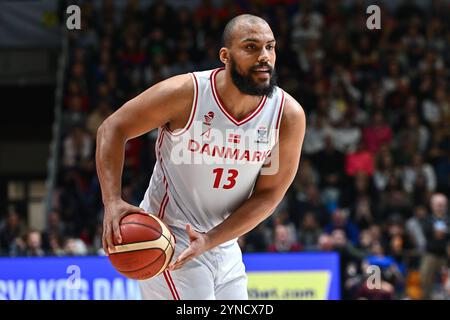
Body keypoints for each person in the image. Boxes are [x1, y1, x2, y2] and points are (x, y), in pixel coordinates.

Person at [96, 14, 306, 300]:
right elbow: (113, 128)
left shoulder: (287, 115)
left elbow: (268, 196)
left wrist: (211, 239)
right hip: (170, 237)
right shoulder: (187, 94)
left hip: (223, 242)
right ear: (225, 55)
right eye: (251, 47)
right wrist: (112, 201)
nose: (264, 57)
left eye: (270, 47)